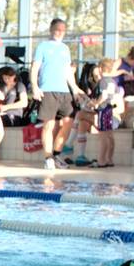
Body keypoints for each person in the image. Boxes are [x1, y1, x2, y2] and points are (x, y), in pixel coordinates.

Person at [30, 18, 85, 171]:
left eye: (63, 30)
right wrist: (35, 86)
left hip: (64, 91)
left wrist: (74, 89)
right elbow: (34, 68)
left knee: (68, 122)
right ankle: (48, 158)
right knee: (49, 125)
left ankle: (56, 154)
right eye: (57, 29)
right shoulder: (42, 46)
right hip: (48, 90)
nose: (60, 32)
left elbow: (68, 72)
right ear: (51, 29)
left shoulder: (65, 49)